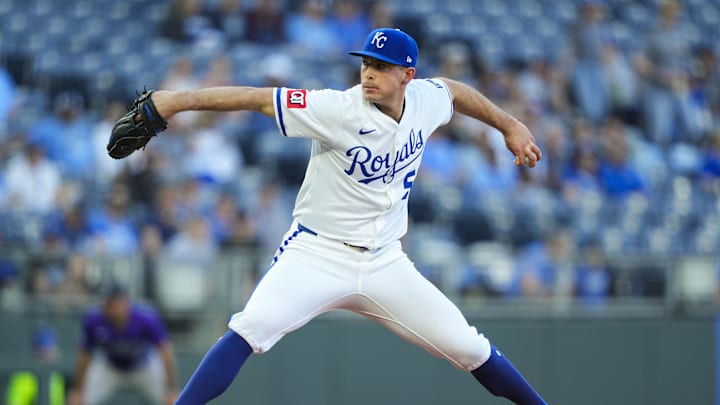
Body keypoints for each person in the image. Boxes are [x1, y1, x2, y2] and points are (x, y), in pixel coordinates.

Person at [143, 28, 546, 404]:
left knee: (469, 347)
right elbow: (258, 98)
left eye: (381, 66)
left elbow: (455, 92)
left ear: (408, 74)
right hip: (317, 253)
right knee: (251, 328)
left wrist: (508, 124)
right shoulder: (337, 109)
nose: (369, 73)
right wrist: (178, 101)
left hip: (385, 261)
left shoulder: (425, 100)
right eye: (366, 63)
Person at [68, 283, 179, 405]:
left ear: (125, 301)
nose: (107, 307)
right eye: (105, 302)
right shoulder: (94, 319)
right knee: (78, 401)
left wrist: (171, 387)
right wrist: (78, 389)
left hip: (143, 366)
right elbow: (84, 355)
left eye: (112, 302)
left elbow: (165, 351)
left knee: (173, 401)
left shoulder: (146, 317)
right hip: (109, 367)